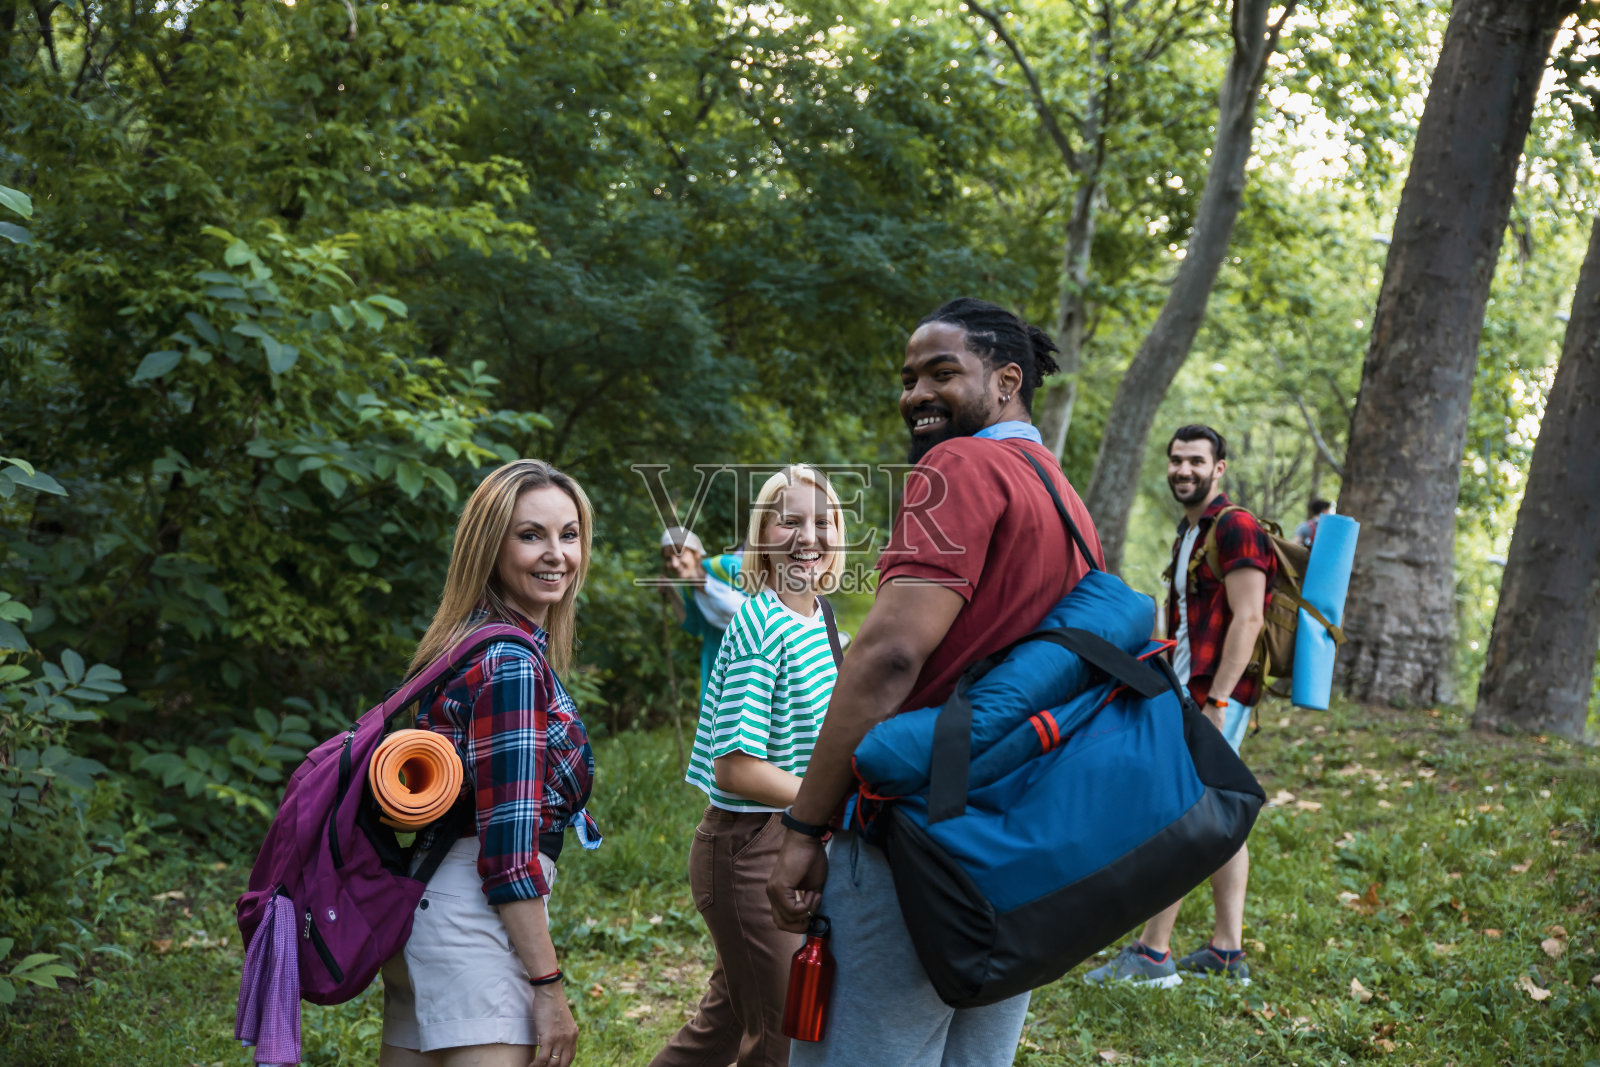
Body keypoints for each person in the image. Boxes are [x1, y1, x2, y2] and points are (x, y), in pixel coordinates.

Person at [766, 298, 1103, 1067]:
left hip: (915, 835)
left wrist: (804, 829)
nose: (916, 393)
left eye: (941, 372)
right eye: (908, 377)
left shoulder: (959, 467)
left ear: (1007, 380)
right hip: (1013, 838)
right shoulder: (1063, 497)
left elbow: (888, 655)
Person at [380, 459, 602, 1067]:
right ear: (490, 547)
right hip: (473, 928)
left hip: (426, 910)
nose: (557, 554)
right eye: (531, 535)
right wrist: (547, 986)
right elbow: (507, 853)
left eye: (569, 534)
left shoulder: (465, 641)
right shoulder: (510, 664)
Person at [652, 465, 847, 1067]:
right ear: (761, 537)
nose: (808, 536)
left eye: (822, 522)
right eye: (789, 521)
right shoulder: (760, 624)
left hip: (794, 838)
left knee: (723, 1026)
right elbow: (735, 768)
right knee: (779, 1038)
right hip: (747, 850)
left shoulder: (820, 616)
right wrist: (831, 802)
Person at [1085, 424, 1273, 987]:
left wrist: (1218, 699)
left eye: (1196, 460)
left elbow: (1250, 617)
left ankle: (1152, 954)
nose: (1183, 470)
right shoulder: (1192, 530)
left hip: (1217, 696)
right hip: (1191, 691)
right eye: (1176, 460)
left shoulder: (1237, 526)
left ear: (1219, 468)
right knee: (1220, 811)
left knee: (1180, 811)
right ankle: (1226, 952)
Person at [660, 525, 748, 698]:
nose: (674, 563)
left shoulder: (725, 566)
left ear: (696, 553)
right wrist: (670, 593)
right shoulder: (689, 591)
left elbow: (771, 592)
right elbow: (692, 626)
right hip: (733, 659)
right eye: (668, 559)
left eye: (679, 554)